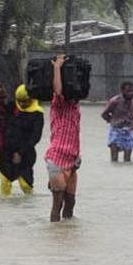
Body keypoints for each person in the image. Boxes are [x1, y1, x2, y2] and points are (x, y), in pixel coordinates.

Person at [45, 55, 81, 222]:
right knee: (57, 204)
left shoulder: (75, 107)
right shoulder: (58, 105)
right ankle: (55, 235)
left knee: (70, 203)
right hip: (57, 159)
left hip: (72, 160)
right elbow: (58, 91)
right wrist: (57, 68)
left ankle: (66, 236)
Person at [0, 84, 44, 196]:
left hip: (26, 153)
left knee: (25, 185)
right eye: (20, 101)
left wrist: (20, 153)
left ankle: (29, 210)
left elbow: (35, 137)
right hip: (7, 152)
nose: (22, 104)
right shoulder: (12, 106)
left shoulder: (37, 114)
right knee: (5, 183)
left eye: (25, 101)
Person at [101, 81, 133, 162]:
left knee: (127, 160)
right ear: (122, 91)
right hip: (116, 130)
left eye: (132, 91)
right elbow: (104, 114)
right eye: (128, 91)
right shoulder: (115, 101)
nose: (131, 93)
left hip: (128, 130)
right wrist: (112, 120)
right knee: (114, 159)